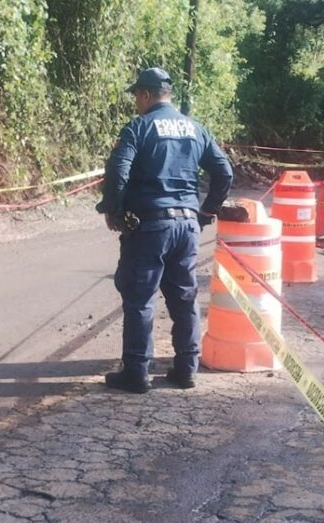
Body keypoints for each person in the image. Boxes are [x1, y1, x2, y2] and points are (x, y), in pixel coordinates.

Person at [98, 67, 233, 393]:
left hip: (149, 226)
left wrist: (114, 210)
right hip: (186, 226)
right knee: (184, 297)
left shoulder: (139, 128)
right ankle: (187, 368)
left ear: (145, 95)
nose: (135, 103)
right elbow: (224, 172)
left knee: (140, 298)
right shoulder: (195, 129)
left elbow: (118, 172)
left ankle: (136, 372)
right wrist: (206, 211)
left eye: (136, 96)